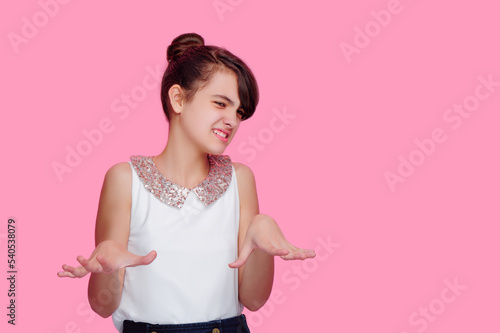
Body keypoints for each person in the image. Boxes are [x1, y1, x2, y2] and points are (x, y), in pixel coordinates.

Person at [58, 32, 316, 333]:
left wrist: (260, 237)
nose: (232, 120)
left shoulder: (240, 180)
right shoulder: (125, 180)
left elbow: (254, 300)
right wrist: (105, 266)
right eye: (221, 103)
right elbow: (102, 306)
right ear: (178, 99)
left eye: (239, 111)